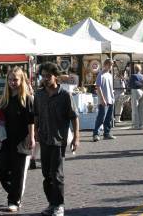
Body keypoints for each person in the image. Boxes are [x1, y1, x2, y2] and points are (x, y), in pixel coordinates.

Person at [34, 62, 80, 216]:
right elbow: (36, 115)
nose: (46, 79)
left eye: (49, 76)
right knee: (46, 175)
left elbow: (74, 117)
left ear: (56, 76)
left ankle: (59, 205)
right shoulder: (39, 95)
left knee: (57, 174)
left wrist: (76, 138)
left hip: (59, 140)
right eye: (43, 76)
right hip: (44, 139)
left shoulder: (64, 95)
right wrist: (35, 131)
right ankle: (51, 203)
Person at [0, 67, 35, 213]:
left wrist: (32, 137)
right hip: (5, 139)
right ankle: (14, 190)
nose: (12, 82)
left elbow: (31, 120)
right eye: (10, 79)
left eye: (15, 79)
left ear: (21, 80)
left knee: (18, 171)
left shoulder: (27, 99)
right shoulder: (5, 99)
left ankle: (14, 201)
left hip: (21, 139)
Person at [93, 59, 116, 141]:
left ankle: (107, 133)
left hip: (110, 99)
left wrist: (113, 97)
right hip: (103, 100)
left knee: (108, 118)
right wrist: (102, 99)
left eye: (112, 65)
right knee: (101, 118)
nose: (111, 66)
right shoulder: (100, 74)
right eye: (110, 64)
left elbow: (110, 88)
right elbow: (98, 87)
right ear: (105, 64)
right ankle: (96, 134)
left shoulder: (109, 75)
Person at [128, 64, 143, 130]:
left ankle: (135, 125)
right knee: (141, 109)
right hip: (142, 91)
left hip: (135, 91)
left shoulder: (133, 76)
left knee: (135, 109)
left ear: (135, 69)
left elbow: (129, 85)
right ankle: (141, 124)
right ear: (140, 69)